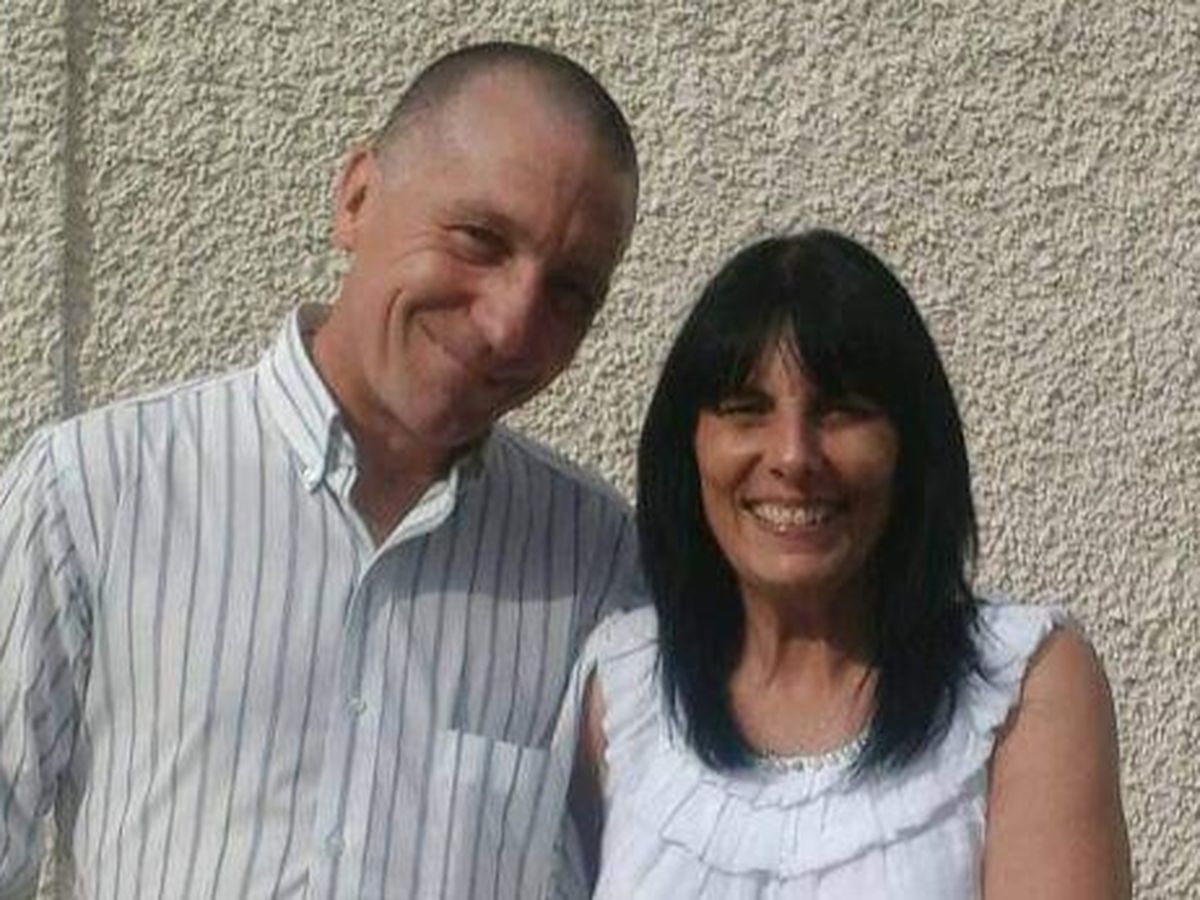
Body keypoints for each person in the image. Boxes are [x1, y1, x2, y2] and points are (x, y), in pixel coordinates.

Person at [0, 42, 641, 899]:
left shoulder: (597, 561)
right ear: (357, 197)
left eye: (568, 291)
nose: (509, 325)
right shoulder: (94, 491)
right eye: (480, 240)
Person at [566, 231, 1131, 898]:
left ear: (909, 447)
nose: (793, 456)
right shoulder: (623, 687)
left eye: (841, 412)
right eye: (747, 411)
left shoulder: (1020, 682)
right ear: (687, 447)